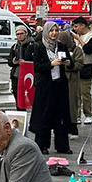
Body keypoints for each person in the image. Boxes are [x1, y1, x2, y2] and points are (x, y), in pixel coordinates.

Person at [28, 24, 72, 154]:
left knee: (61, 116)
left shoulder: (61, 46)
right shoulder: (39, 47)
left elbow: (70, 61)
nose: (54, 33)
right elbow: (37, 66)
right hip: (45, 87)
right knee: (44, 116)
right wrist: (51, 64)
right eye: (51, 31)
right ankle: (42, 145)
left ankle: (62, 146)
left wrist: (68, 63)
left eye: (56, 30)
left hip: (60, 86)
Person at [58, 30, 85, 138]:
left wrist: (69, 65)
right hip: (60, 80)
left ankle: (73, 128)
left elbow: (79, 64)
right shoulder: (57, 49)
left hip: (71, 80)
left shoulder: (76, 49)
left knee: (72, 104)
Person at [74, 17, 92, 123]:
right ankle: (77, 115)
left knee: (85, 92)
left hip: (86, 66)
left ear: (83, 25)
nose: (75, 29)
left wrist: (79, 39)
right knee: (76, 93)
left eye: (76, 26)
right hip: (76, 66)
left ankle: (88, 114)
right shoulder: (75, 37)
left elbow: (88, 49)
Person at [7, 25, 34, 110]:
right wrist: (13, 62)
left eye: (21, 33)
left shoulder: (32, 45)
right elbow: (9, 61)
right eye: (17, 34)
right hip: (16, 76)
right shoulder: (15, 47)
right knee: (18, 99)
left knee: (31, 98)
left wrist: (26, 62)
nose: (19, 36)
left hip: (28, 76)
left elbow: (36, 60)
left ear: (26, 34)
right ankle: (21, 117)